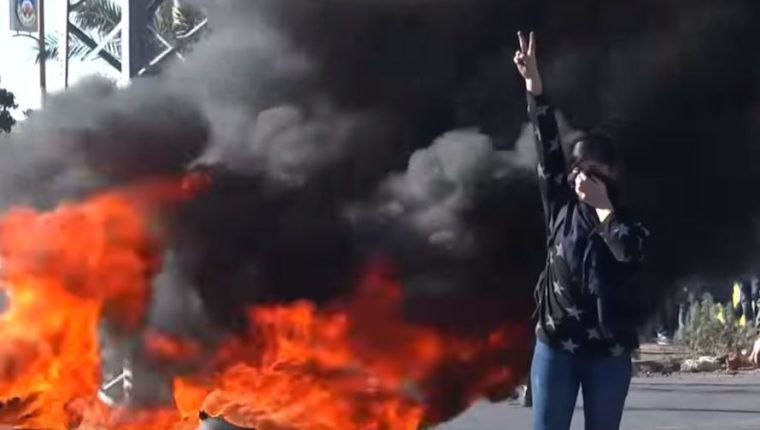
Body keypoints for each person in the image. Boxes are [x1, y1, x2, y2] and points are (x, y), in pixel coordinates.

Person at [513, 31, 650, 430]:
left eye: (592, 172)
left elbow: (629, 252)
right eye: (577, 171)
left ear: (610, 175)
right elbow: (546, 144)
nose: (581, 179)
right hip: (557, 345)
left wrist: (604, 207)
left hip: (608, 353)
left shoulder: (627, 216)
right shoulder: (561, 203)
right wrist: (534, 85)